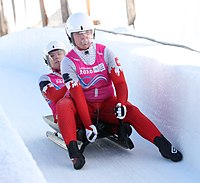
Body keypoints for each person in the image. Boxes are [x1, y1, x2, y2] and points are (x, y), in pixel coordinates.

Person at [58, 12, 183, 170]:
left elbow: (120, 82)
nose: (84, 38)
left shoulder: (106, 52)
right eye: (78, 34)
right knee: (63, 104)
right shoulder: (68, 62)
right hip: (83, 108)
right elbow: (78, 96)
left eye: (88, 33)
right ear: (71, 37)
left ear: (93, 32)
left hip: (105, 105)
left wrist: (121, 104)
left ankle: (163, 144)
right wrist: (88, 125)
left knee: (131, 109)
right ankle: (74, 152)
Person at [39, 41, 68, 122]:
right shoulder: (45, 79)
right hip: (62, 114)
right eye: (52, 56)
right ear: (47, 61)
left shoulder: (76, 72)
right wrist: (72, 85)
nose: (56, 57)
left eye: (59, 54)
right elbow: (54, 97)